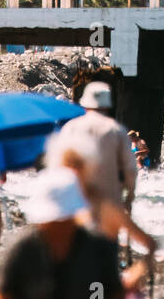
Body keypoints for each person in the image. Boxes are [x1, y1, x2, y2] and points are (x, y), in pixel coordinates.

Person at [0, 168, 124, 299]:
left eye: (64, 220)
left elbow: (115, 297)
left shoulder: (98, 247)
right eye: (53, 221)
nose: (59, 227)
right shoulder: (22, 248)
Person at [45, 132, 159, 291]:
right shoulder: (105, 206)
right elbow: (151, 244)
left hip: (63, 289)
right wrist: (132, 278)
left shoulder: (52, 205)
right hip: (93, 284)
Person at [59, 81, 137, 211]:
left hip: (78, 202)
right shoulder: (117, 130)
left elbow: (59, 166)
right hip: (110, 202)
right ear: (107, 106)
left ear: (84, 105)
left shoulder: (70, 128)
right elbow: (130, 169)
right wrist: (130, 197)